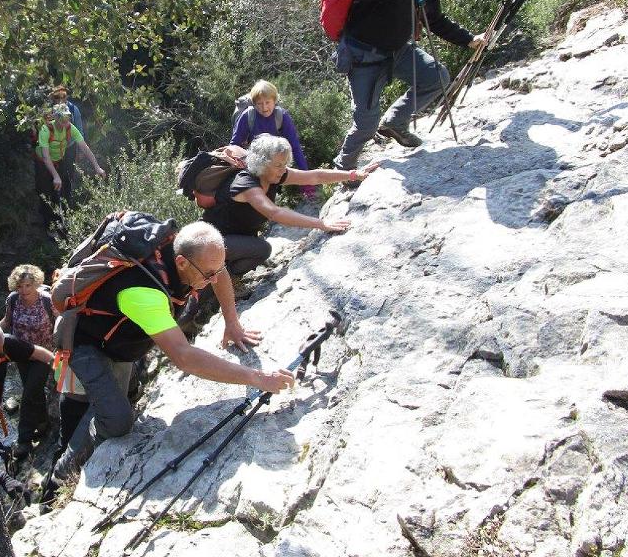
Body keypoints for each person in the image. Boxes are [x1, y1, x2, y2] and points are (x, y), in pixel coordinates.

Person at [43, 221, 296, 500]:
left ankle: (96, 427)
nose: (214, 279)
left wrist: (232, 322)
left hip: (121, 343)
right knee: (116, 421)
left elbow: (220, 272)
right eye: (207, 274)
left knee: (112, 403)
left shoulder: (185, 252)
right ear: (181, 262)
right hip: (88, 345)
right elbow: (184, 357)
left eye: (216, 269)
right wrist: (258, 378)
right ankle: (62, 475)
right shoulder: (143, 292)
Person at [333, 0, 486, 171]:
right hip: (365, 58)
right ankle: (343, 171)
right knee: (365, 125)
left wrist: (469, 39)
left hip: (398, 52)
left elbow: (435, 21)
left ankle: (395, 122)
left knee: (438, 76)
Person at [202, 134, 378, 279]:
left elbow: (314, 177)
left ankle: (224, 277)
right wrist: (321, 224)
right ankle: (211, 284)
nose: (283, 169)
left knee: (259, 250)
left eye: (285, 164)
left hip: (232, 240)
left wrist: (353, 174)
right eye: (278, 165)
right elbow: (275, 212)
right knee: (262, 249)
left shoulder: (273, 175)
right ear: (262, 163)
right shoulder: (246, 184)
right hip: (211, 241)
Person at [0, 264, 56, 460]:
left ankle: (24, 439)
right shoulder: (13, 300)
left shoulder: (48, 301)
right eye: (20, 286)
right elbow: (6, 322)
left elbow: (61, 322)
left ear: (36, 283)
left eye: (28, 286)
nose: (23, 290)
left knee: (30, 391)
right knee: (34, 391)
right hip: (20, 354)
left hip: (43, 354)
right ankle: (43, 424)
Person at [230, 80, 315, 199]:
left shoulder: (281, 116)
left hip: (276, 164)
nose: (264, 108)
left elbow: (295, 148)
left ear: (275, 101)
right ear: (254, 104)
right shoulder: (247, 116)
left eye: (268, 102)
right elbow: (234, 146)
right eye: (259, 103)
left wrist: (307, 186)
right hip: (253, 163)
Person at [34, 104, 105, 230]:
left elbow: (85, 147)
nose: (65, 122)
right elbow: (45, 157)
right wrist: (55, 175)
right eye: (62, 119)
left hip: (58, 161)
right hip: (43, 164)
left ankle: (65, 223)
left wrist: (97, 167)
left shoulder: (70, 128)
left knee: (64, 188)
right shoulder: (46, 130)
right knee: (46, 193)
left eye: (67, 118)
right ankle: (49, 227)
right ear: (56, 118)